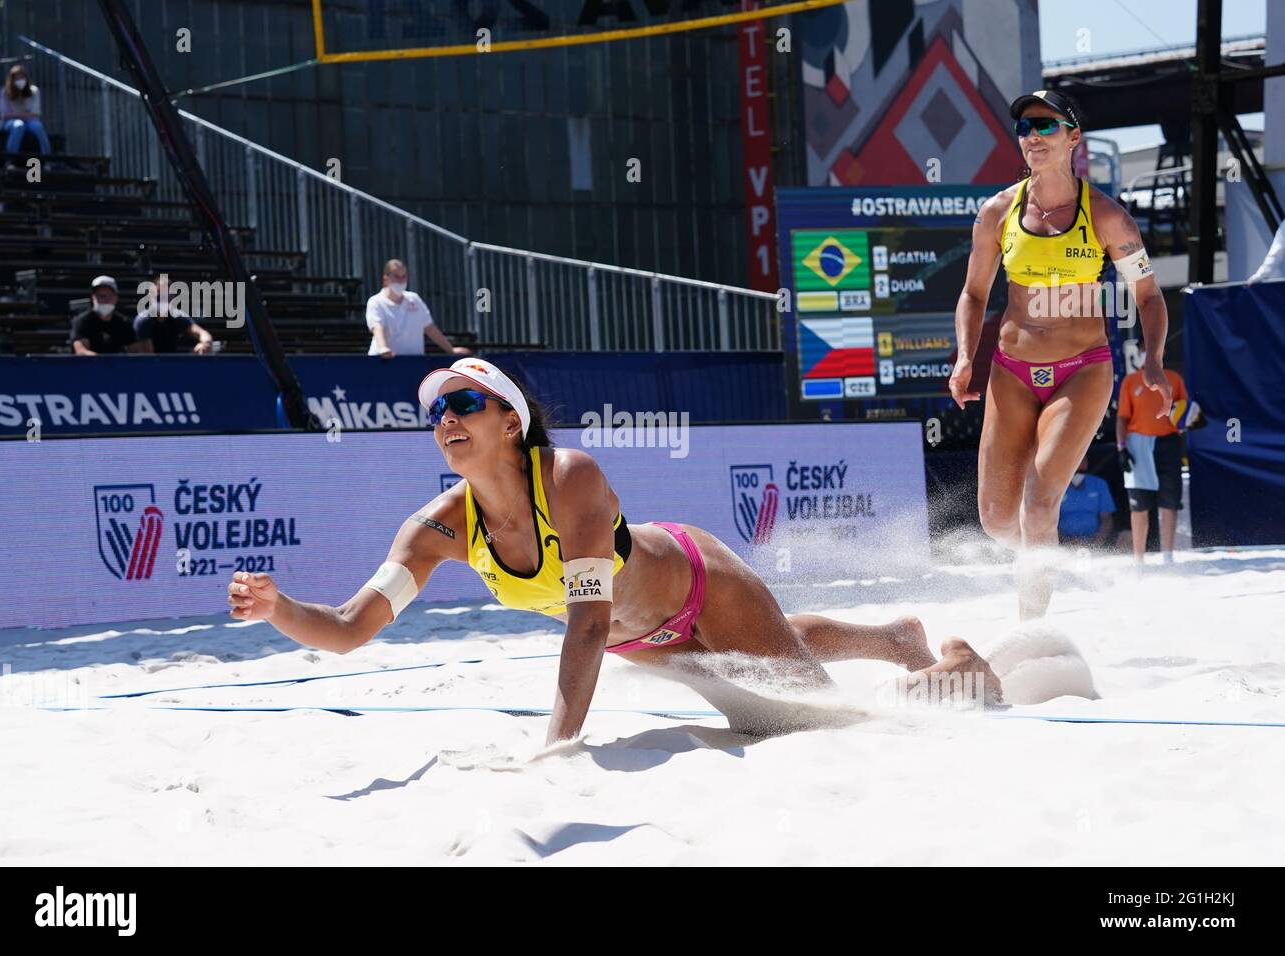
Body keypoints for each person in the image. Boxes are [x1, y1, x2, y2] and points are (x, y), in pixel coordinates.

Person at [227, 357, 1002, 743]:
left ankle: (958, 668)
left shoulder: (569, 478)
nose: (446, 419)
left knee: (806, 719)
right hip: (645, 640)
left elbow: (588, 623)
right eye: (437, 411)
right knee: (770, 671)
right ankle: (896, 639)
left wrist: (557, 748)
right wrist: (278, 608)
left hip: (698, 586)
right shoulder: (436, 528)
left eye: (465, 402)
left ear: (510, 420)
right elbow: (350, 626)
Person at [950, 89, 1172, 618]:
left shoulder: (1108, 218)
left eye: (1046, 126)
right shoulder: (997, 212)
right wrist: (964, 357)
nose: (1032, 136)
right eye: (1025, 127)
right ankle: (1037, 555)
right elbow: (974, 294)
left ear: (1074, 137)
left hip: (1082, 371)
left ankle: (1032, 628)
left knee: (1040, 499)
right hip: (1012, 371)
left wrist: (1156, 361)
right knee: (996, 520)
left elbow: (1148, 295)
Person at [1116, 346, 1188, 565]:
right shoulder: (1130, 381)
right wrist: (1122, 448)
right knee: (1139, 503)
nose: (1146, 353)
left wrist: (1186, 423)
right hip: (1138, 442)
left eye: (1151, 349)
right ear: (1137, 352)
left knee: (1170, 500)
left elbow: (1185, 412)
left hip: (1168, 441)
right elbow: (1122, 418)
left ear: (1162, 352)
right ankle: (1139, 559)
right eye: (1142, 349)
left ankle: (1168, 556)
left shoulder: (1174, 379)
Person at [366, 259, 470, 358]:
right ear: (386, 279)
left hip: (414, 362)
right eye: (396, 276)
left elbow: (429, 328)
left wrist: (450, 350)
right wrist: (383, 348)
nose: (401, 280)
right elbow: (378, 327)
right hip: (384, 362)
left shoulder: (414, 299)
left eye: (404, 276)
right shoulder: (375, 301)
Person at [133, 274, 214, 354]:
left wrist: (205, 344)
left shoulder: (177, 316)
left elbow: (202, 333)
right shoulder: (143, 320)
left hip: (170, 363)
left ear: (173, 297)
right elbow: (150, 356)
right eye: (159, 295)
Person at [70, 275, 149, 355]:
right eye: (101, 296)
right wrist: (102, 362)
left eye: (109, 296)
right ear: (93, 297)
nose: (105, 300)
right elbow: (81, 351)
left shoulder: (123, 322)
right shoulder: (82, 321)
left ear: (116, 298)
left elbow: (136, 351)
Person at [1057, 454, 1116, 548]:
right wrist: (1066, 542)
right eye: (1075, 459)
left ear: (1086, 463)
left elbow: (1107, 519)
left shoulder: (1099, 484)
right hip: (1063, 542)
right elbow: (1049, 520)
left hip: (1094, 541)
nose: (1079, 462)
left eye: (1082, 459)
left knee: (1127, 536)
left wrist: (1095, 544)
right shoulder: (1057, 486)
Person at [0, 65, 52, 159]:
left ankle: (48, 158)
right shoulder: (5, 92)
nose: (20, 80)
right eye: (17, 78)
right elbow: (4, 115)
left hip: (30, 122)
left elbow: (36, 113)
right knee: (19, 125)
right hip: (10, 122)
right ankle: (9, 159)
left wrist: (19, 112)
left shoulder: (34, 91)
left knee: (38, 127)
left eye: (22, 77)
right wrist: (24, 114)